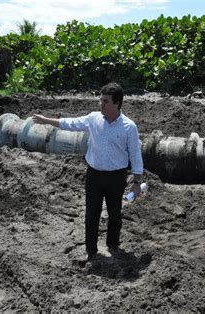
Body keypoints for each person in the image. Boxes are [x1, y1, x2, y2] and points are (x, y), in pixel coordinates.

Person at [32, 82, 144, 261]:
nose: (101, 104)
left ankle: (113, 245)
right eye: (100, 100)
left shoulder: (129, 127)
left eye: (105, 101)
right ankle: (91, 251)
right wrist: (46, 120)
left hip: (116, 177)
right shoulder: (93, 118)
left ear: (117, 103)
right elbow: (71, 123)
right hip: (94, 175)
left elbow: (136, 156)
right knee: (91, 214)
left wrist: (137, 183)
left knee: (115, 214)